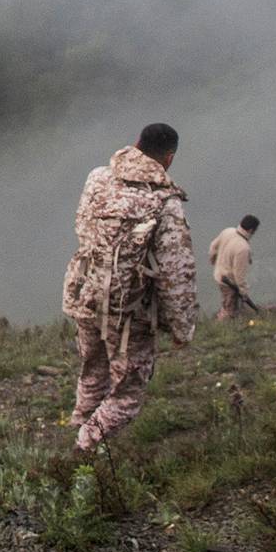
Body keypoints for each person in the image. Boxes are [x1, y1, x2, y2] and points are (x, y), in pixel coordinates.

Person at [62, 124, 197, 452]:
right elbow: (175, 272)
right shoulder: (165, 201)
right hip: (128, 311)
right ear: (169, 158)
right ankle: (85, 449)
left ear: (136, 143)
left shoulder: (97, 177)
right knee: (128, 392)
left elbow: (82, 225)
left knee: (93, 370)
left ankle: (80, 422)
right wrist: (182, 327)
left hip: (85, 295)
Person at [209, 215, 260, 320]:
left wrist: (214, 261)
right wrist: (244, 292)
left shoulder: (228, 231)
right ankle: (221, 329)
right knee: (229, 310)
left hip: (219, 275)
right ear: (251, 230)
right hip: (229, 283)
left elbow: (213, 247)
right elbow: (239, 275)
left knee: (228, 305)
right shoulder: (243, 248)